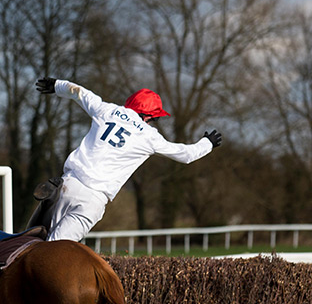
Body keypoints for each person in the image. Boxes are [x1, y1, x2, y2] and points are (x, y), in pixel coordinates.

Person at [30, 77, 222, 242]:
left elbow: (79, 92)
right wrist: (208, 143)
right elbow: (186, 155)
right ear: (148, 116)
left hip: (68, 185)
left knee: (34, 242)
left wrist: (56, 85)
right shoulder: (149, 136)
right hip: (93, 200)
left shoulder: (106, 110)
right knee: (55, 250)